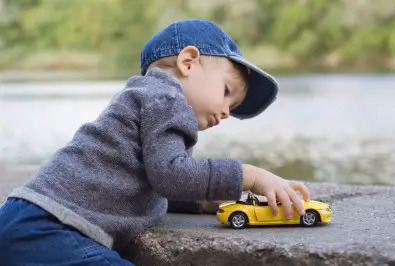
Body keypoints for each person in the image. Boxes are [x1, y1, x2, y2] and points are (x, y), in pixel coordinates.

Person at [0, 19, 311, 265]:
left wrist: (205, 200)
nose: (226, 112)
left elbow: (152, 183)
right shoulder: (166, 96)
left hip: (28, 220)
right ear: (188, 62)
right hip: (48, 228)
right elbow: (171, 176)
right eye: (227, 92)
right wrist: (251, 176)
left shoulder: (147, 97)